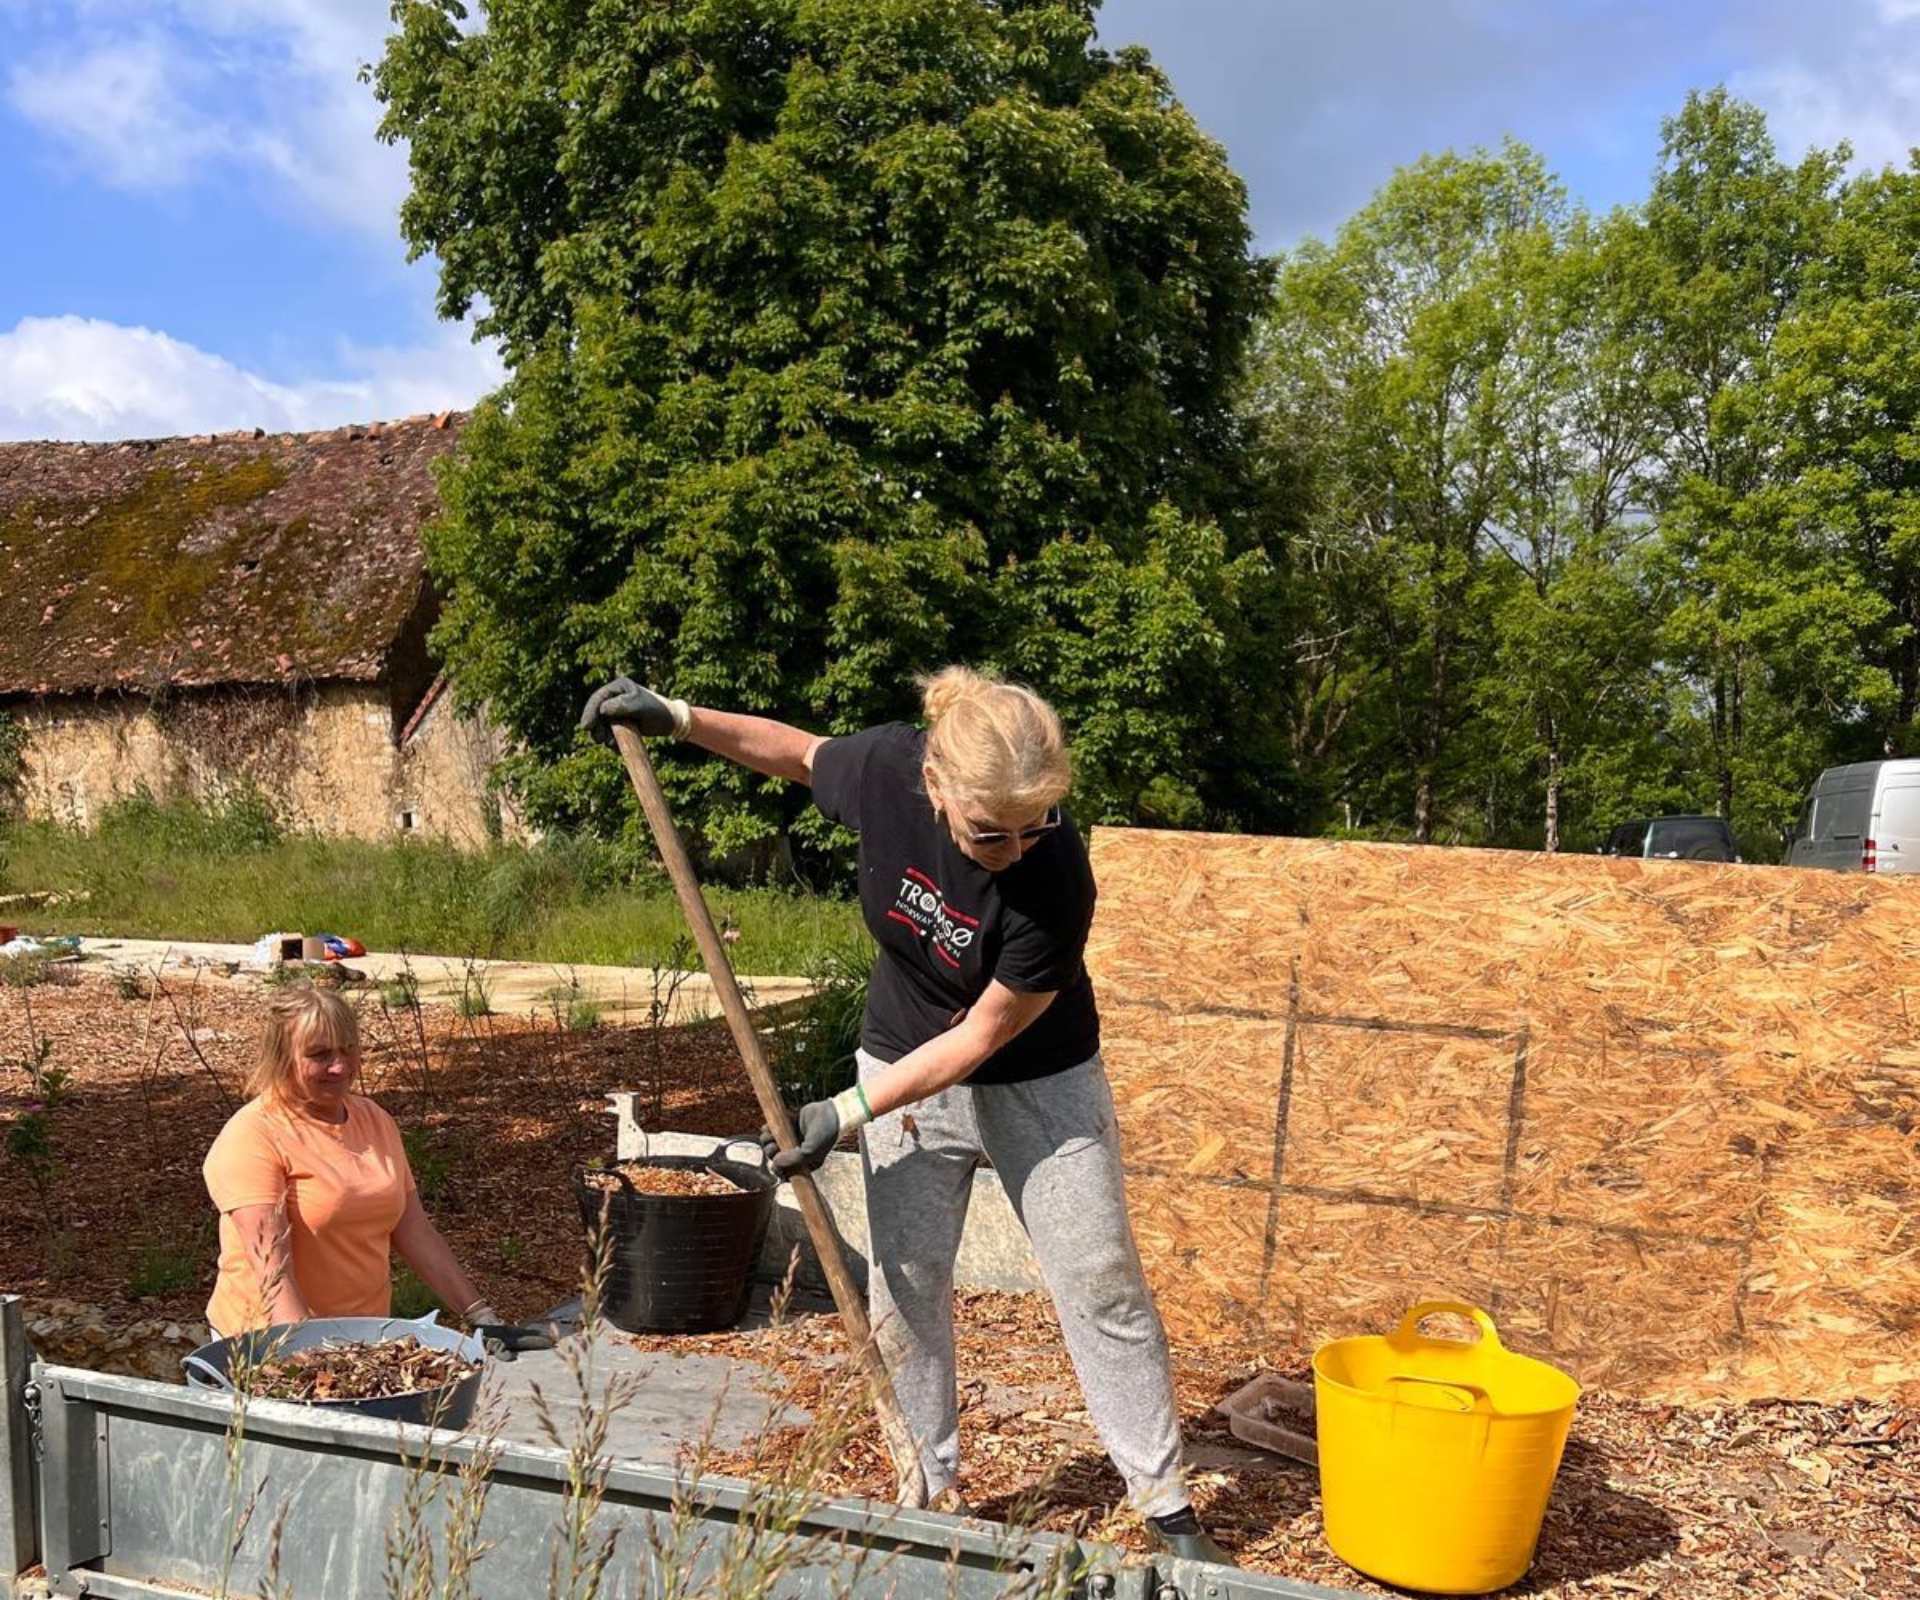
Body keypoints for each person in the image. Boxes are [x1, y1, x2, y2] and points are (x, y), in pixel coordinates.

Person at [580, 666, 1231, 1563]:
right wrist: (679, 717)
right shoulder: (889, 768)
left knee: (1099, 1276)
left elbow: (982, 1039)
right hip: (898, 1059)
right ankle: (927, 1482)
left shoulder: (1056, 877)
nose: (1015, 846)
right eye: (989, 831)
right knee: (907, 1280)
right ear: (934, 787)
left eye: (1036, 823)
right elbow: (800, 754)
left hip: (1038, 1079)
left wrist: (845, 1111)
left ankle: (1164, 1502)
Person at [202, 985, 500, 1338]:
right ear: (282, 1057)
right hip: (267, 1344)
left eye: (348, 1050)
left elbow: (413, 1228)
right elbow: (272, 1271)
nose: (339, 1066)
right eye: (319, 1054)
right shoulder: (253, 1135)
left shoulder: (374, 1120)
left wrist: (480, 1314)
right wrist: (307, 1359)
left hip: (363, 1337)